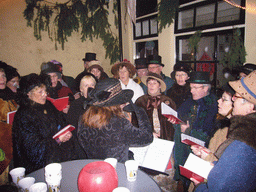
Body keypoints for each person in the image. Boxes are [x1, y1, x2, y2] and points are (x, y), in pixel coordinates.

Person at [12, 73, 77, 174]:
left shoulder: (48, 105)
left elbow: (61, 122)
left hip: (57, 156)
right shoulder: (23, 115)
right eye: (40, 92)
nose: (45, 94)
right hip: (39, 166)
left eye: (45, 90)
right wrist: (58, 140)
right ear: (28, 93)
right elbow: (31, 149)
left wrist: (66, 132)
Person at [77, 78, 153, 163]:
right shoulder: (119, 123)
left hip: (95, 169)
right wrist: (140, 111)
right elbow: (147, 138)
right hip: (117, 171)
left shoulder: (83, 119)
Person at [169, 71, 218, 191]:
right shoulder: (191, 101)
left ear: (206, 88)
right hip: (185, 147)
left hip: (201, 153)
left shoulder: (212, 104)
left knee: (194, 183)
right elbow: (179, 115)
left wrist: (188, 130)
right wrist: (175, 121)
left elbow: (207, 133)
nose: (191, 91)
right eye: (191, 88)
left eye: (195, 88)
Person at [135, 72, 176, 141]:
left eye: (154, 83)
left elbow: (173, 124)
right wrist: (149, 133)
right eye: (149, 83)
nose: (151, 86)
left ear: (159, 86)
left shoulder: (167, 101)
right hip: (146, 138)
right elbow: (136, 122)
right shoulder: (140, 101)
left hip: (165, 139)